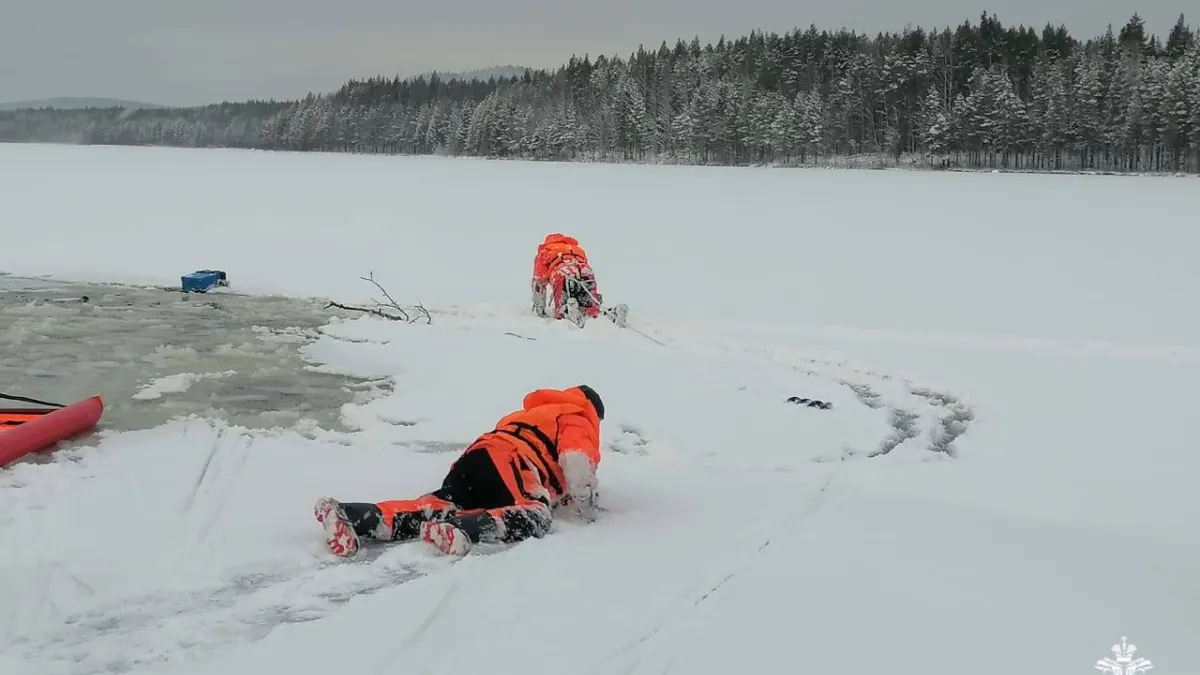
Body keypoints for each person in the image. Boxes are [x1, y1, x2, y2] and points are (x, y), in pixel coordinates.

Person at [313, 384, 605, 558]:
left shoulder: (537, 413)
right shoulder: (578, 415)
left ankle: (351, 516)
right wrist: (587, 509)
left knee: (440, 506)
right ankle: (463, 529)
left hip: (477, 456)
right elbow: (576, 460)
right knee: (535, 515)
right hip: (512, 460)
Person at [531, 233, 603, 322]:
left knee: (560, 313)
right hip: (585, 270)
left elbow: (539, 282)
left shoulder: (545, 251)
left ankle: (567, 311)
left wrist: (539, 309)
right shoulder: (577, 249)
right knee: (590, 306)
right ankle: (594, 314)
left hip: (562, 272)